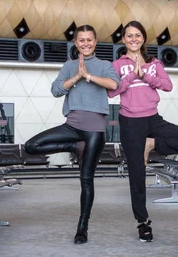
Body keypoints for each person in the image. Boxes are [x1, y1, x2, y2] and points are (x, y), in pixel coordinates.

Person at [24, 24, 119, 245]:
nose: (86, 43)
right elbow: (56, 90)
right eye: (81, 40)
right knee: (31, 145)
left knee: (86, 180)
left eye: (89, 39)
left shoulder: (105, 65)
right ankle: (72, 146)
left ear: (95, 41)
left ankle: (82, 228)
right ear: (76, 43)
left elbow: (114, 84)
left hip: (95, 130)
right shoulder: (68, 66)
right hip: (72, 125)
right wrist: (76, 76)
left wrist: (89, 76)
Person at [108, 21, 178, 242]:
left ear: (143, 38)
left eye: (137, 35)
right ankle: (143, 223)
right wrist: (132, 76)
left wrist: (146, 76)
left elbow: (168, 86)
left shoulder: (153, 62)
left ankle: (152, 145)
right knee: (137, 175)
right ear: (123, 39)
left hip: (152, 118)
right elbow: (112, 92)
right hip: (130, 121)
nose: (133, 39)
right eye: (129, 35)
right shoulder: (117, 65)